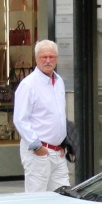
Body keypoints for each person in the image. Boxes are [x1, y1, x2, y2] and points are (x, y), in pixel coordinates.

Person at [13, 40, 69, 193]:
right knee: (36, 198)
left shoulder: (59, 82)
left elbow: (58, 114)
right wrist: (37, 146)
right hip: (39, 152)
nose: (48, 60)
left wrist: (63, 143)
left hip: (58, 152)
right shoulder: (28, 85)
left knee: (63, 196)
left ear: (57, 59)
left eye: (52, 57)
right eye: (44, 57)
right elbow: (20, 119)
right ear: (36, 59)